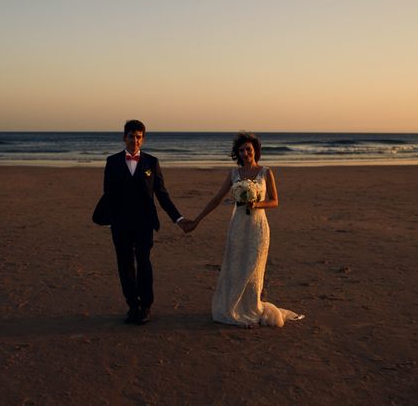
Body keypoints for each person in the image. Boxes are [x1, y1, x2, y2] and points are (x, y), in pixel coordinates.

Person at [187, 132, 304, 327]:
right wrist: (197, 219)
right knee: (235, 268)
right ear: (237, 153)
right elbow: (217, 199)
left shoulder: (265, 172)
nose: (245, 153)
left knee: (254, 268)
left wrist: (256, 205)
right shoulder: (234, 174)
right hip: (238, 226)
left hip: (258, 227)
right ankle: (234, 310)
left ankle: (251, 309)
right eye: (241, 150)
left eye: (248, 149)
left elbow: (275, 201)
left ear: (255, 150)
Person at [93, 120, 191, 325]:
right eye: (131, 136)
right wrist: (111, 220)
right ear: (124, 138)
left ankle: (146, 306)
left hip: (145, 223)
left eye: (139, 137)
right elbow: (108, 194)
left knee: (144, 262)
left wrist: (178, 218)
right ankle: (132, 305)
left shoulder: (151, 162)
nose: (135, 140)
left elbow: (162, 194)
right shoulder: (112, 162)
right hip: (120, 224)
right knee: (125, 264)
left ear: (143, 139)